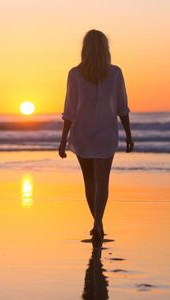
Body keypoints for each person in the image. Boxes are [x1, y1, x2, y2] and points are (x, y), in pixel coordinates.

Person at [58, 29, 134, 242]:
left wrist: (63, 140)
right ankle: (98, 222)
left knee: (89, 182)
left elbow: (69, 111)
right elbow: (122, 107)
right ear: (105, 48)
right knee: (102, 182)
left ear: (85, 49)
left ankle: (97, 223)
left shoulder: (74, 73)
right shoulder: (115, 72)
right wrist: (129, 134)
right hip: (105, 133)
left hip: (82, 133)